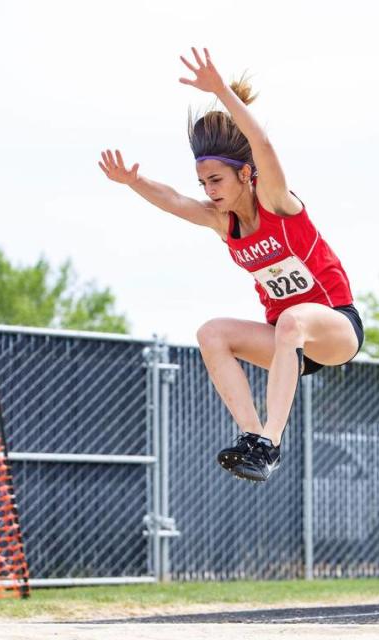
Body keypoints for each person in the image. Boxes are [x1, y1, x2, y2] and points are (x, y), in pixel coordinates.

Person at [99, 48, 364, 483]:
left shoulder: (277, 202)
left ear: (246, 174)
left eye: (216, 180)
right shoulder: (224, 222)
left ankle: (270, 443)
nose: (209, 190)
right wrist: (134, 182)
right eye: (203, 182)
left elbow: (263, 144)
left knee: (293, 320)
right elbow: (175, 202)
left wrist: (220, 91)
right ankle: (252, 436)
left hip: (335, 328)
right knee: (213, 333)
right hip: (288, 347)